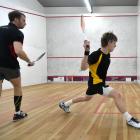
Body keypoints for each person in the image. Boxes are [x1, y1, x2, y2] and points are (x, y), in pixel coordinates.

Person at [59, 32, 140, 128]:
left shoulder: (107, 54)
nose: (115, 45)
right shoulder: (96, 55)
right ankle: (129, 119)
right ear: (109, 42)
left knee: (86, 98)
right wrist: (86, 52)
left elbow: (100, 69)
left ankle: (65, 104)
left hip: (95, 83)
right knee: (117, 95)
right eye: (114, 43)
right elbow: (83, 67)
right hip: (96, 83)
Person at [0, 10, 34, 121]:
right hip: (9, 65)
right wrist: (29, 61)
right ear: (16, 19)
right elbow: (18, 51)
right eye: (23, 20)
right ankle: (18, 113)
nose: (25, 23)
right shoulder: (17, 33)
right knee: (17, 87)